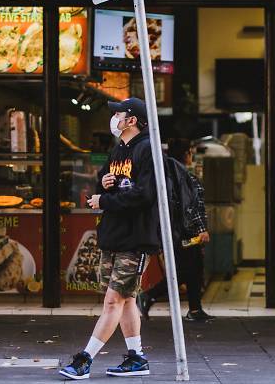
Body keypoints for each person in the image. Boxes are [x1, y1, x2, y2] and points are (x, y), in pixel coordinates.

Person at [59, 97, 160, 380]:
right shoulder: (119, 149)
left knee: (113, 301)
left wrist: (105, 199)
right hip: (114, 234)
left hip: (136, 237)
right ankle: (136, 358)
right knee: (126, 300)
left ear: (132, 120)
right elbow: (107, 179)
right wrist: (103, 183)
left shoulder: (147, 149)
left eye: (119, 113)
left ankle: (84, 359)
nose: (114, 117)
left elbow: (145, 194)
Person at [137, 138, 214, 322]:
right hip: (187, 233)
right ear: (186, 154)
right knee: (184, 271)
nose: (192, 156)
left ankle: (195, 309)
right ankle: (148, 295)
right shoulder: (186, 177)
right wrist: (202, 229)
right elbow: (193, 206)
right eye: (190, 152)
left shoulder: (166, 174)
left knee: (194, 269)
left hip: (173, 232)